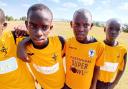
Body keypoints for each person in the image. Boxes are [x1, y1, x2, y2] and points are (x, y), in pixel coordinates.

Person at [17, 3, 65, 89]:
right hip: (44, 87)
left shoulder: (60, 42)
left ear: (50, 28)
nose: (39, 33)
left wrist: (22, 43)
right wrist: (21, 44)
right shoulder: (23, 44)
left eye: (45, 27)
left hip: (62, 86)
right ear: (27, 24)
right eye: (33, 26)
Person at [0, 8, 36, 89]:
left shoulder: (14, 37)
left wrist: (28, 31)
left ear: (4, 25)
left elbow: (39, 39)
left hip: (26, 86)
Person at [96, 19, 127, 89]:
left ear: (120, 32)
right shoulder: (98, 46)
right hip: (95, 82)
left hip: (108, 85)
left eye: (117, 29)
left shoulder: (123, 50)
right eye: (110, 28)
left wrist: (114, 83)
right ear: (104, 29)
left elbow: (121, 69)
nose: (113, 32)